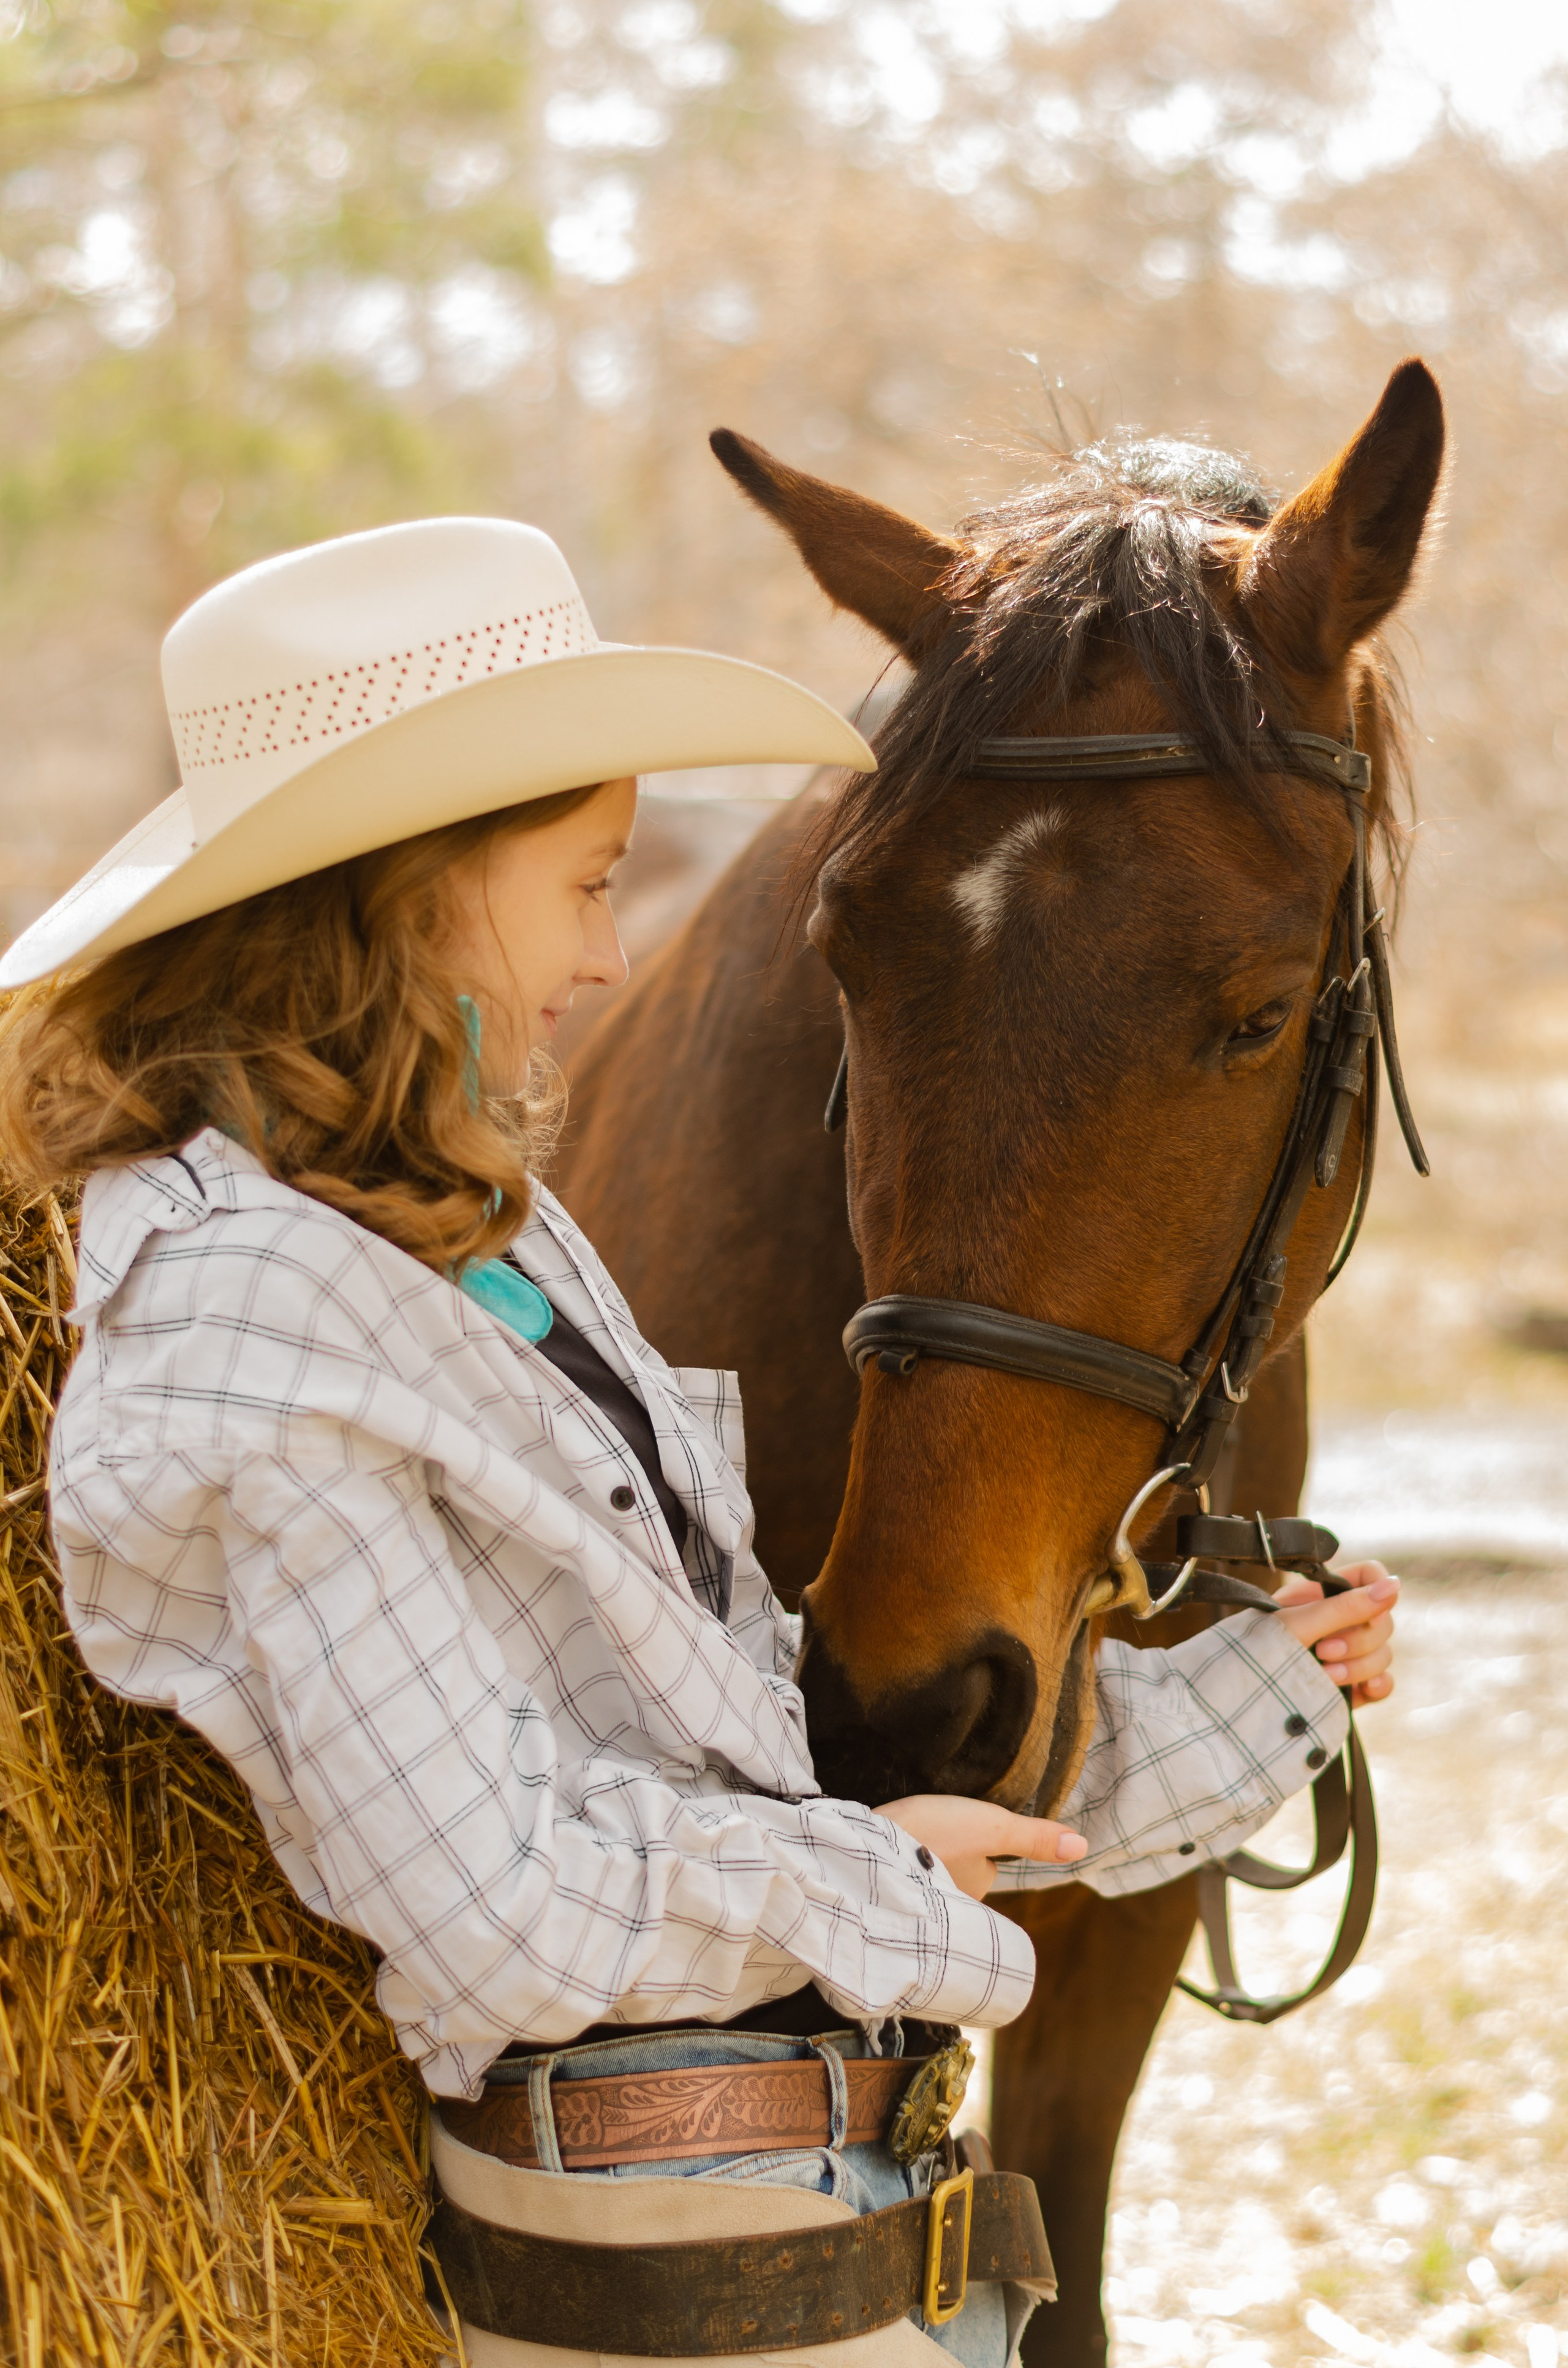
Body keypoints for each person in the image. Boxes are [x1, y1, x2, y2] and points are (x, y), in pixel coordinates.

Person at [0, 518, 1396, 2368]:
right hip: (653, 2263)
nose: (610, 950)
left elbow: (737, 1740)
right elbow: (502, 1915)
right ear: (413, 891)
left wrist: (1261, 1703)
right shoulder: (253, 1339)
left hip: (804, 2243)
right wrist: (884, 1891)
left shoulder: (478, 1238)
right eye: (585, 881)